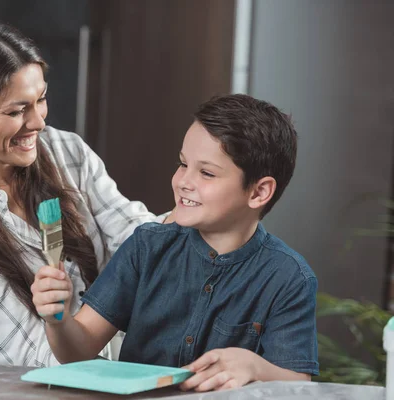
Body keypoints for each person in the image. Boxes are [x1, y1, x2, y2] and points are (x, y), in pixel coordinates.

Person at [0, 19, 170, 367]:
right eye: (17, 111)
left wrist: (188, 216)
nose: (39, 122)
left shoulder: (67, 153)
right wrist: (60, 322)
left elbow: (140, 242)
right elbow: (42, 359)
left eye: (41, 99)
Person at [32, 94, 319, 391]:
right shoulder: (146, 247)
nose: (183, 181)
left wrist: (254, 366)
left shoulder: (288, 277)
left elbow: (298, 384)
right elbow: (77, 351)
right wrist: (59, 321)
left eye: (206, 172)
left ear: (259, 192)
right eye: (183, 164)